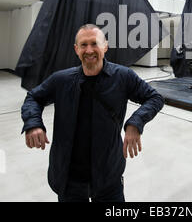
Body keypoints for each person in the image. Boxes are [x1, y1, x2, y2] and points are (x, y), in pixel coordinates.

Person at [21, 24, 164, 202]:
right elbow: (33, 97)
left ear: (105, 46)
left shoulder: (123, 77)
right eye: (83, 45)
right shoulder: (61, 80)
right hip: (69, 179)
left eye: (94, 43)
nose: (89, 50)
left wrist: (135, 122)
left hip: (108, 179)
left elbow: (155, 98)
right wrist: (33, 123)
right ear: (76, 49)